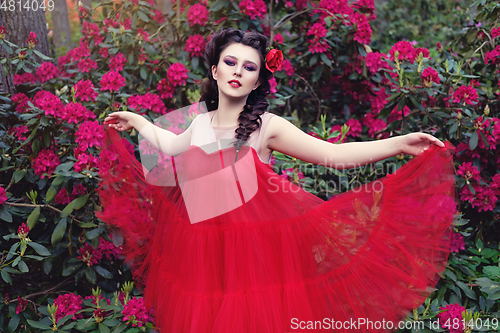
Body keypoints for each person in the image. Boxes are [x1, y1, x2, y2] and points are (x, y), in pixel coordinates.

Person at [98, 28, 457, 332]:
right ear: (215, 70)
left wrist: (398, 143)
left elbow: (333, 155)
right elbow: (169, 145)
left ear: (257, 79)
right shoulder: (199, 124)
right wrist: (138, 121)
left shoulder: (266, 127)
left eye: (249, 66)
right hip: (203, 260)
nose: (238, 71)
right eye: (230, 62)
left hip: (253, 264)